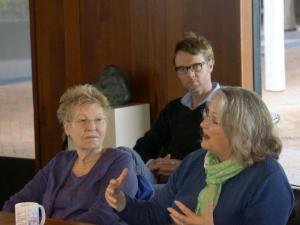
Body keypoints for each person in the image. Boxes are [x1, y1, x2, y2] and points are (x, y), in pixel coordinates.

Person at [105, 86, 295, 225]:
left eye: (213, 120)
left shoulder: (268, 179)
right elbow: (155, 213)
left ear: (240, 130)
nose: (203, 124)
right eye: (206, 115)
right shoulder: (196, 161)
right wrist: (122, 201)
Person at [2, 84, 139, 225]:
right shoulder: (60, 162)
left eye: (98, 120)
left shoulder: (120, 160)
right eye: (82, 120)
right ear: (67, 128)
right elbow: (18, 202)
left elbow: (104, 215)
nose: (92, 127)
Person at [133, 32, 220, 183]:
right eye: (182, 69)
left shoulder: (229, 105)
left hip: (200, 182)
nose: (190, 75)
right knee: (123, 155)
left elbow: (231, 159)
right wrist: (151, 163)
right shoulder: (173, 109)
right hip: (162, 181)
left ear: (210, 65)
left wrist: (184, 167)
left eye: (196, 66)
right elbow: (143, 147)